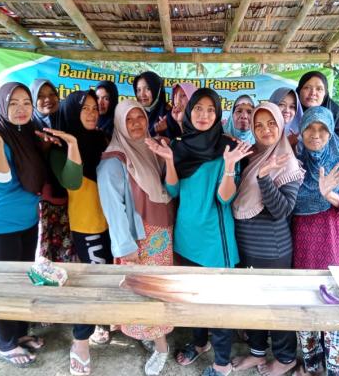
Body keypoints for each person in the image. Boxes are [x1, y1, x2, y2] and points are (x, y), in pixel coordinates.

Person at [147, 88, 252, 376]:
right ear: (189, 111)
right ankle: (199, 342)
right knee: (192, 298)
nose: (203, 115)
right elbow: (173, 190)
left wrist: (229, 167)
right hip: (186, 236)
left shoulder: (228, 146)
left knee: (217, 305)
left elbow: (225, 198)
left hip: (215, 240)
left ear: (218, 114)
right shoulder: (180, 145)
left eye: (210, 109)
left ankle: (222, 363)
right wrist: (170, 160)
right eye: (198, 108)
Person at [97, 99, 175, 376]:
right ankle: (161, 346)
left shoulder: (150, 148)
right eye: (128, 120)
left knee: (158, 291)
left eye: (139, 117)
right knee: (147, 293)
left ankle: (155, 337)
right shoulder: (113, 161)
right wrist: (125, 247)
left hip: (161, 234)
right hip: (140, 240)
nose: (135, 124)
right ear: (119, 124)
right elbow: (113, 208)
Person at [0, 82, 47, 367]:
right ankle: (5, 343)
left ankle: (19, 332)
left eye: (26, 102)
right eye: (13, 103)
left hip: (27, 219)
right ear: (2, 105)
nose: (21, 109)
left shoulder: (29, 133)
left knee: (22, 278)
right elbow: (0, 184)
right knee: (1, 283)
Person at [231, 102, 305, 376]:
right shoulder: (253, 156)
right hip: (248, 248)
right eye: (259, 125)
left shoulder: (287, 162)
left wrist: (264, 178)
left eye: (271, 123)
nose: (265, 130)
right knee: (253, 305)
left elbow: (281, 211)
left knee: (277, 307)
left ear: (281, 125)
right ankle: (257, 352)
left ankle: (285, 359)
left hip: (272, 251)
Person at [292, 106, 339, 376]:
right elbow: (289, 203)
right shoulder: (296, 163)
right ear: (302, 131)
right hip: (305, 248)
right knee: (306, 311)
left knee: (337, 315)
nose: (316, 134)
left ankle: (336, 370)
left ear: (331, 132)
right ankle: (312, 367)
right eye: (310, 127)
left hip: (336, 247)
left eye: (322, 129)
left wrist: (329, 195)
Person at [46, 90, 110, 376]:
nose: (92, 113)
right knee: (92, 284)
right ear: (73, 111)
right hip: (87, 225)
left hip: (111, 223)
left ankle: (102, 323)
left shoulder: (102, 139)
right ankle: (80, 343)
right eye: (85, 108)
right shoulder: (58, 148)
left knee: (107, 279)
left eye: (95, 108)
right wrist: (72, 142)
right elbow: (72, 181)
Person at [30, 78, 75, 263]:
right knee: (47, 251)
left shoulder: (67, 121)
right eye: (41, 96)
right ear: (33, 100)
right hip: (45, 198)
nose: (47, 99)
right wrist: (43, 147)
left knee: (71, 250)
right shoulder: (29, 127)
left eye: (51, 94)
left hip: (73, 195)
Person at [133, 71, 170, 136]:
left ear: (157, 90)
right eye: (138, 90)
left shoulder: (170, 115)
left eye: (148, 88)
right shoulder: (133, 114)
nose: (142, 94)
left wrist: (164, 133)